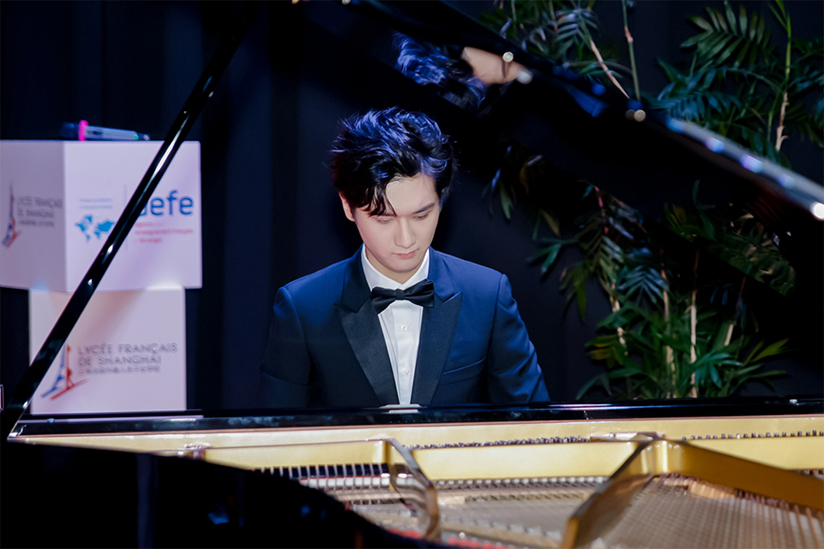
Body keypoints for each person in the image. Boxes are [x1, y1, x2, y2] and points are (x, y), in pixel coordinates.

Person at [258, 107, 548, 409]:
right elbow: (277, 430)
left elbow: (535, 421)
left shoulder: (487, 296)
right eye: (384, 219)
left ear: (441, 200)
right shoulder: (303, 308)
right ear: (348, 207)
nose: (406, 239)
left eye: (421, 215)